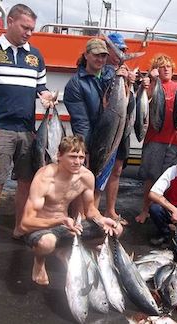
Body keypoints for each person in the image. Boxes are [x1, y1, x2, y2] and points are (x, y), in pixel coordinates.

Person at [0, 4, 57, 258]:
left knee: (26, 183)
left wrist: (48, 96)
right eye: (25, 27)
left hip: (28, 131)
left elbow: (42, 87)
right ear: (10, 21)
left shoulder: (35, 56)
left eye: (32, 29)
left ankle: (20, 227)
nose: (29, 33)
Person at [20, 135, 124, 286]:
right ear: (59, 156)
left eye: (81, 157)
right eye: (72, 156)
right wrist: (60, 220)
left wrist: (102, 220)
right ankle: (39, 262)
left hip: (66, 226)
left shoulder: (86, 176)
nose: (78, 162)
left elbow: (90, 211)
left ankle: (66, 250)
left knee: (116, 229)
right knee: (47, 243)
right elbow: (25, 223)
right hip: (40, 227)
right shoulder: (45, 177)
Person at [62, 37, 129, 221]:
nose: (100, 60)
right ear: (86, 55)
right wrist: (86, 151)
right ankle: (77, 219)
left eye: (103, 56)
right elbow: (81, 121)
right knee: (81, 181)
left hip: (110, 136)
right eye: (96, 56)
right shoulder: (76, 83)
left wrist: (126, 80)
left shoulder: (111, 75)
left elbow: (124, 106)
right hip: (93, 141)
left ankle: (90, 217)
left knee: (98, 181)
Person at [135, 54, 177, 224]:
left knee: (170, 179)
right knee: (151, 177)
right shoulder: (152, 86)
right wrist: (149, 81)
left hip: (175, 142)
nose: (166, 69)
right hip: (154, 139)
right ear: (156, 69)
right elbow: (142, 99)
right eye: (161, 66)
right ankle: (145, 210)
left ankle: (164, 211)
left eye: (168, 66)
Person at [101, 33, 144, 225]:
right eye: (118, 49)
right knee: (99, 167)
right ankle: (91, 209)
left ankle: (110, 210)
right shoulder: (104, 71)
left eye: (124, 50)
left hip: (123, 127)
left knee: (117, 169)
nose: (122, 53)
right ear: (107, 49)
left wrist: (131, 82)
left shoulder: (123, 70)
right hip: (109, 126)